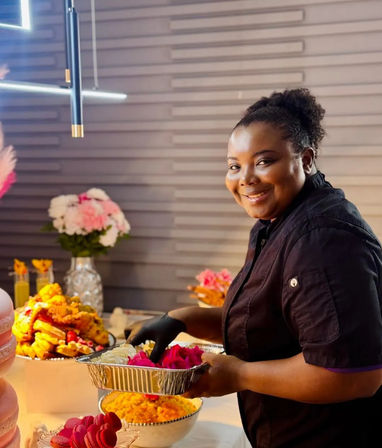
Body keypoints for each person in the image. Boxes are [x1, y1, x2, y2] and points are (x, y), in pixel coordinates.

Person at [128, 88, 382, 448]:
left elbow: (352, 375)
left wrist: (241, 375)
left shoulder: (321, 240)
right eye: (235, 165)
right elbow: (267, 324)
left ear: (306, 159)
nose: (246, 178)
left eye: (264, 161)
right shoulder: (277, 221)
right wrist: (183, 318)